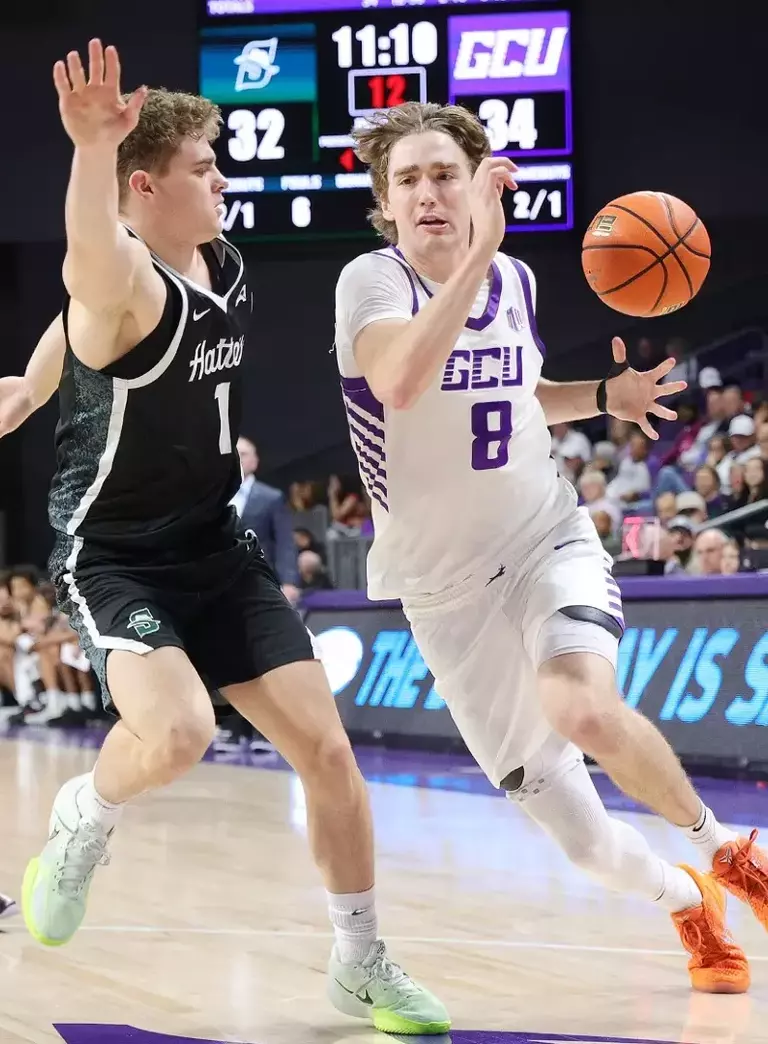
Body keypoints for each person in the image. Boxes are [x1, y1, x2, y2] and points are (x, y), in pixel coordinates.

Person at [3, 43, 447, 1036]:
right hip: (114, 554)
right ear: (144, 188)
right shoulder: (122, 277)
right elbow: (88, 269)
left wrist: (32, 384)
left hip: (214, 544)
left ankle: (361, 962)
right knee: (179, 734)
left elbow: (73, 318)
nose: (222, 180)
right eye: (203, 167)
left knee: (328, 752)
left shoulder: (223, 259)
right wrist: (90, 149)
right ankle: (84, 818)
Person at [334, 100, 768, 994]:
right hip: (442, 589)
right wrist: (481, 251)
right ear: (385, 201)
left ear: (480, 184)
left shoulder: (514, 280)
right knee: (582, 842)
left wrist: (604, 396)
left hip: (543, 535)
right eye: (407, 180)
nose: (427, 194)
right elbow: (403, 380)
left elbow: (516, 392)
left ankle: (727, 851)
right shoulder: (373, 282)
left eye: (444, 175)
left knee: (583, 708)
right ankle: (683, 898)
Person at [232, 437, 300, 605]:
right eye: (234, 453)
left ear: (254, 461)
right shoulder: (214, 496)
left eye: (243, 454)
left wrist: (289, 581)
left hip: (259, 576)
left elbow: (284, 541)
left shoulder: (271, 498)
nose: (238, 458)